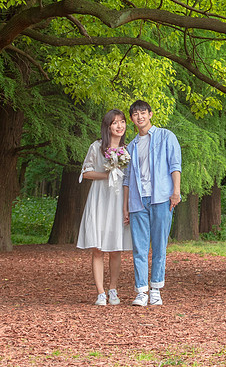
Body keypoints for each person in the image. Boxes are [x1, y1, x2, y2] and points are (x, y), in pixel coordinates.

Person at [122, 99, 181, 306]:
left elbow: (175, 165)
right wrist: (125, 206)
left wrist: (176, 191)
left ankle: (156, 289)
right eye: (135, 114)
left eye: (143, 113)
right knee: (139, 248)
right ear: (132, 119)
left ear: (150, 114)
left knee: (159, 246)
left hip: (161, 198)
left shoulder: (166, 136)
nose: (140, 117)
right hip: (138, 201)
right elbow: (127, 179)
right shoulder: (131, 146)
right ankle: (141, 291)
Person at [76, 108, 132, 306]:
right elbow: (86, 173)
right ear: (108, 126)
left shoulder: (127, 150)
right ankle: (100, 292)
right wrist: (107, 174)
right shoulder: (97, 147)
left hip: (118, 201)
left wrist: (127, 207)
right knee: (98, 248)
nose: (119, 126)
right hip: (100, 197)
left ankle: (113, 289)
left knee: (116, 248)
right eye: (115, 122)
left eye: (122, 122)